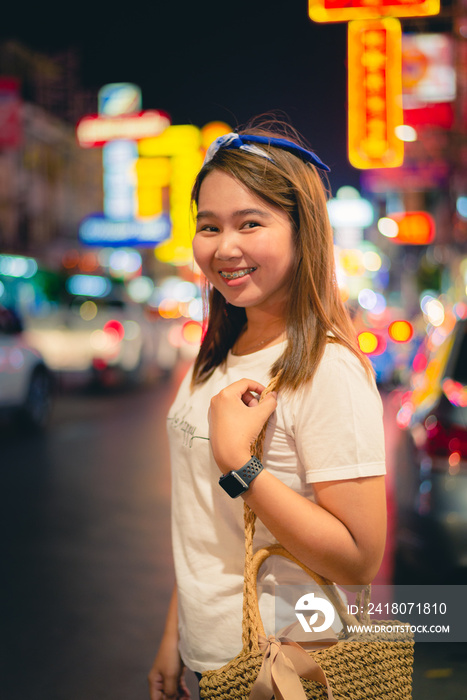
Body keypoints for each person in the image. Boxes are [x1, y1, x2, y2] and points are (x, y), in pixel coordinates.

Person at [148, 119, 387, 700]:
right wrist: (174, 635)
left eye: (250, 223)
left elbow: (359, 561)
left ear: (303, 233)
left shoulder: (325, 369)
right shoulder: (216, 359)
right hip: (211, 656)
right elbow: (207, 523)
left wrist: (241, 465)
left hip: (284, 668)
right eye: (209, 226)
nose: (224, 247)